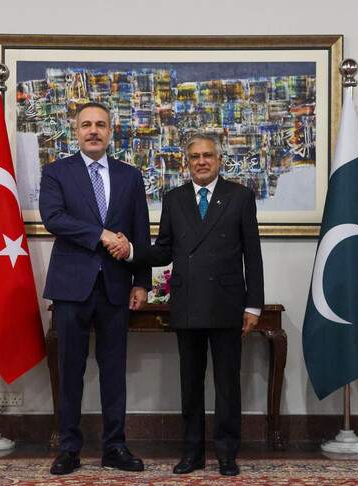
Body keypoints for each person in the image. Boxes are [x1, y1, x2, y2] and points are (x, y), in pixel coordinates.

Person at [110, 132, 264, 477]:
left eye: (208, 155)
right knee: (190, 385)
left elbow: (252, 254)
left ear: (220, 160)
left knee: (227, 385)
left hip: (227, 304)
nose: (202, 162)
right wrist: (132, 251)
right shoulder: (174, 198)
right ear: (186, 163)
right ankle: (192, 454)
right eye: (195, 156)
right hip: (188, 303)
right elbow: (164, 249)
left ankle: (227, 455)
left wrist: (254, 305)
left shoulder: (239, 196)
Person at [39, 102, 151, 475]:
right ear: (76, 131)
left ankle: (114, 447)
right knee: (70, 369)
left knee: (114, 370)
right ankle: (69, 448)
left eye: (100, 125)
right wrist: (101, 234)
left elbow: (140, 230)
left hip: (116, 286)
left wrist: (142, 281)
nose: (93, 131)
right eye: (86, 124)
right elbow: (54, 218)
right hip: (71, 286)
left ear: (110, 131)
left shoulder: (130, 176)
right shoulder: (56, 172)